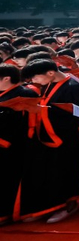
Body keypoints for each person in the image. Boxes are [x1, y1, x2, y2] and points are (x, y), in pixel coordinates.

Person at [19, 58, 79, 223]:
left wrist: (40, 111)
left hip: (66, 137)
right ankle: (50, 207)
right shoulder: (50, 83)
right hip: (50, 135)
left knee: (65, 172)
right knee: (51, 173)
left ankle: (68, 206)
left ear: (50, 73)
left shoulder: (72, 86)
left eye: (35, 77)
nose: (33, 82)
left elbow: (74, 114)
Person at [0, 64, 38, 224]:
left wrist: (5, 141)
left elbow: (21, 123)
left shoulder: (25, 93)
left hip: (14, 144)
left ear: (7, 78)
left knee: (8, 178)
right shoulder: (5, 94)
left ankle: (6, 213)